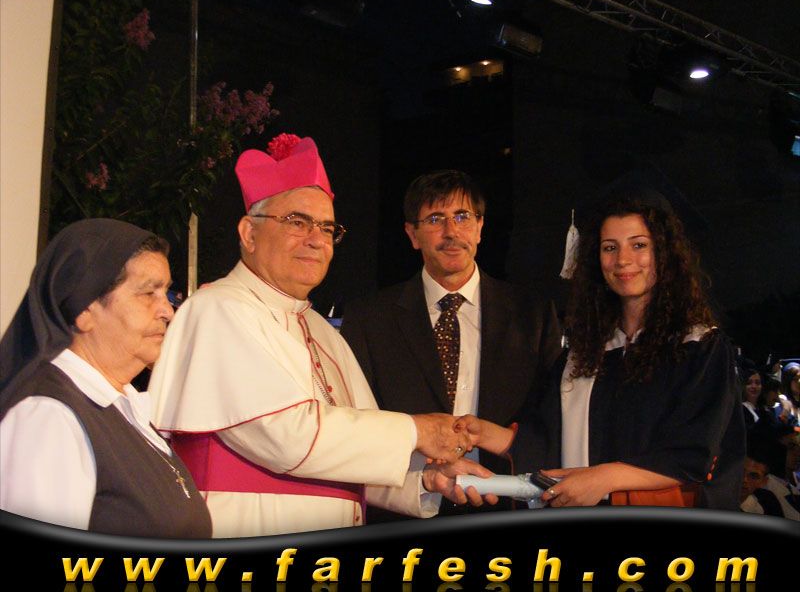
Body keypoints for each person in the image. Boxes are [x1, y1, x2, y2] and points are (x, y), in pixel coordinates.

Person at [148, 134, 491, 538]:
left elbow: (349, 454)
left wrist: (423, 479)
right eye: (297, 222)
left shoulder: (321, 332)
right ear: (249, 233)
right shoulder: (218, 309)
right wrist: (418, 431)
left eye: (327, 228)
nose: (316, 239)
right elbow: (287, 435)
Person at [459, 175, 745, 509]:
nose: (622, 260)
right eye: (610, 247)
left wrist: (604, 478)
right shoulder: (585, 355)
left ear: (664, 252)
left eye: (639, 245)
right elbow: (546, 439)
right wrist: (483, 433)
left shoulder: (700, 348)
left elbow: (694, 453)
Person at [341, 169, 562, 518]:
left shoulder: (532, 314)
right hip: (405, 504)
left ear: (480, 227)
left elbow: (552, 418)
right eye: (435, 219)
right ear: (412, 234)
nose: (451, 232)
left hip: (507, 502)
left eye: (462, 217)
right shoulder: (370, 318)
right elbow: (355, 421)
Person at [0, 219, 211, 537]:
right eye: (148, 293)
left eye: (166, 292)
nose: (167, 311)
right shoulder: (49, 415)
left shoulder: (121, 407)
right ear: (84, 309)